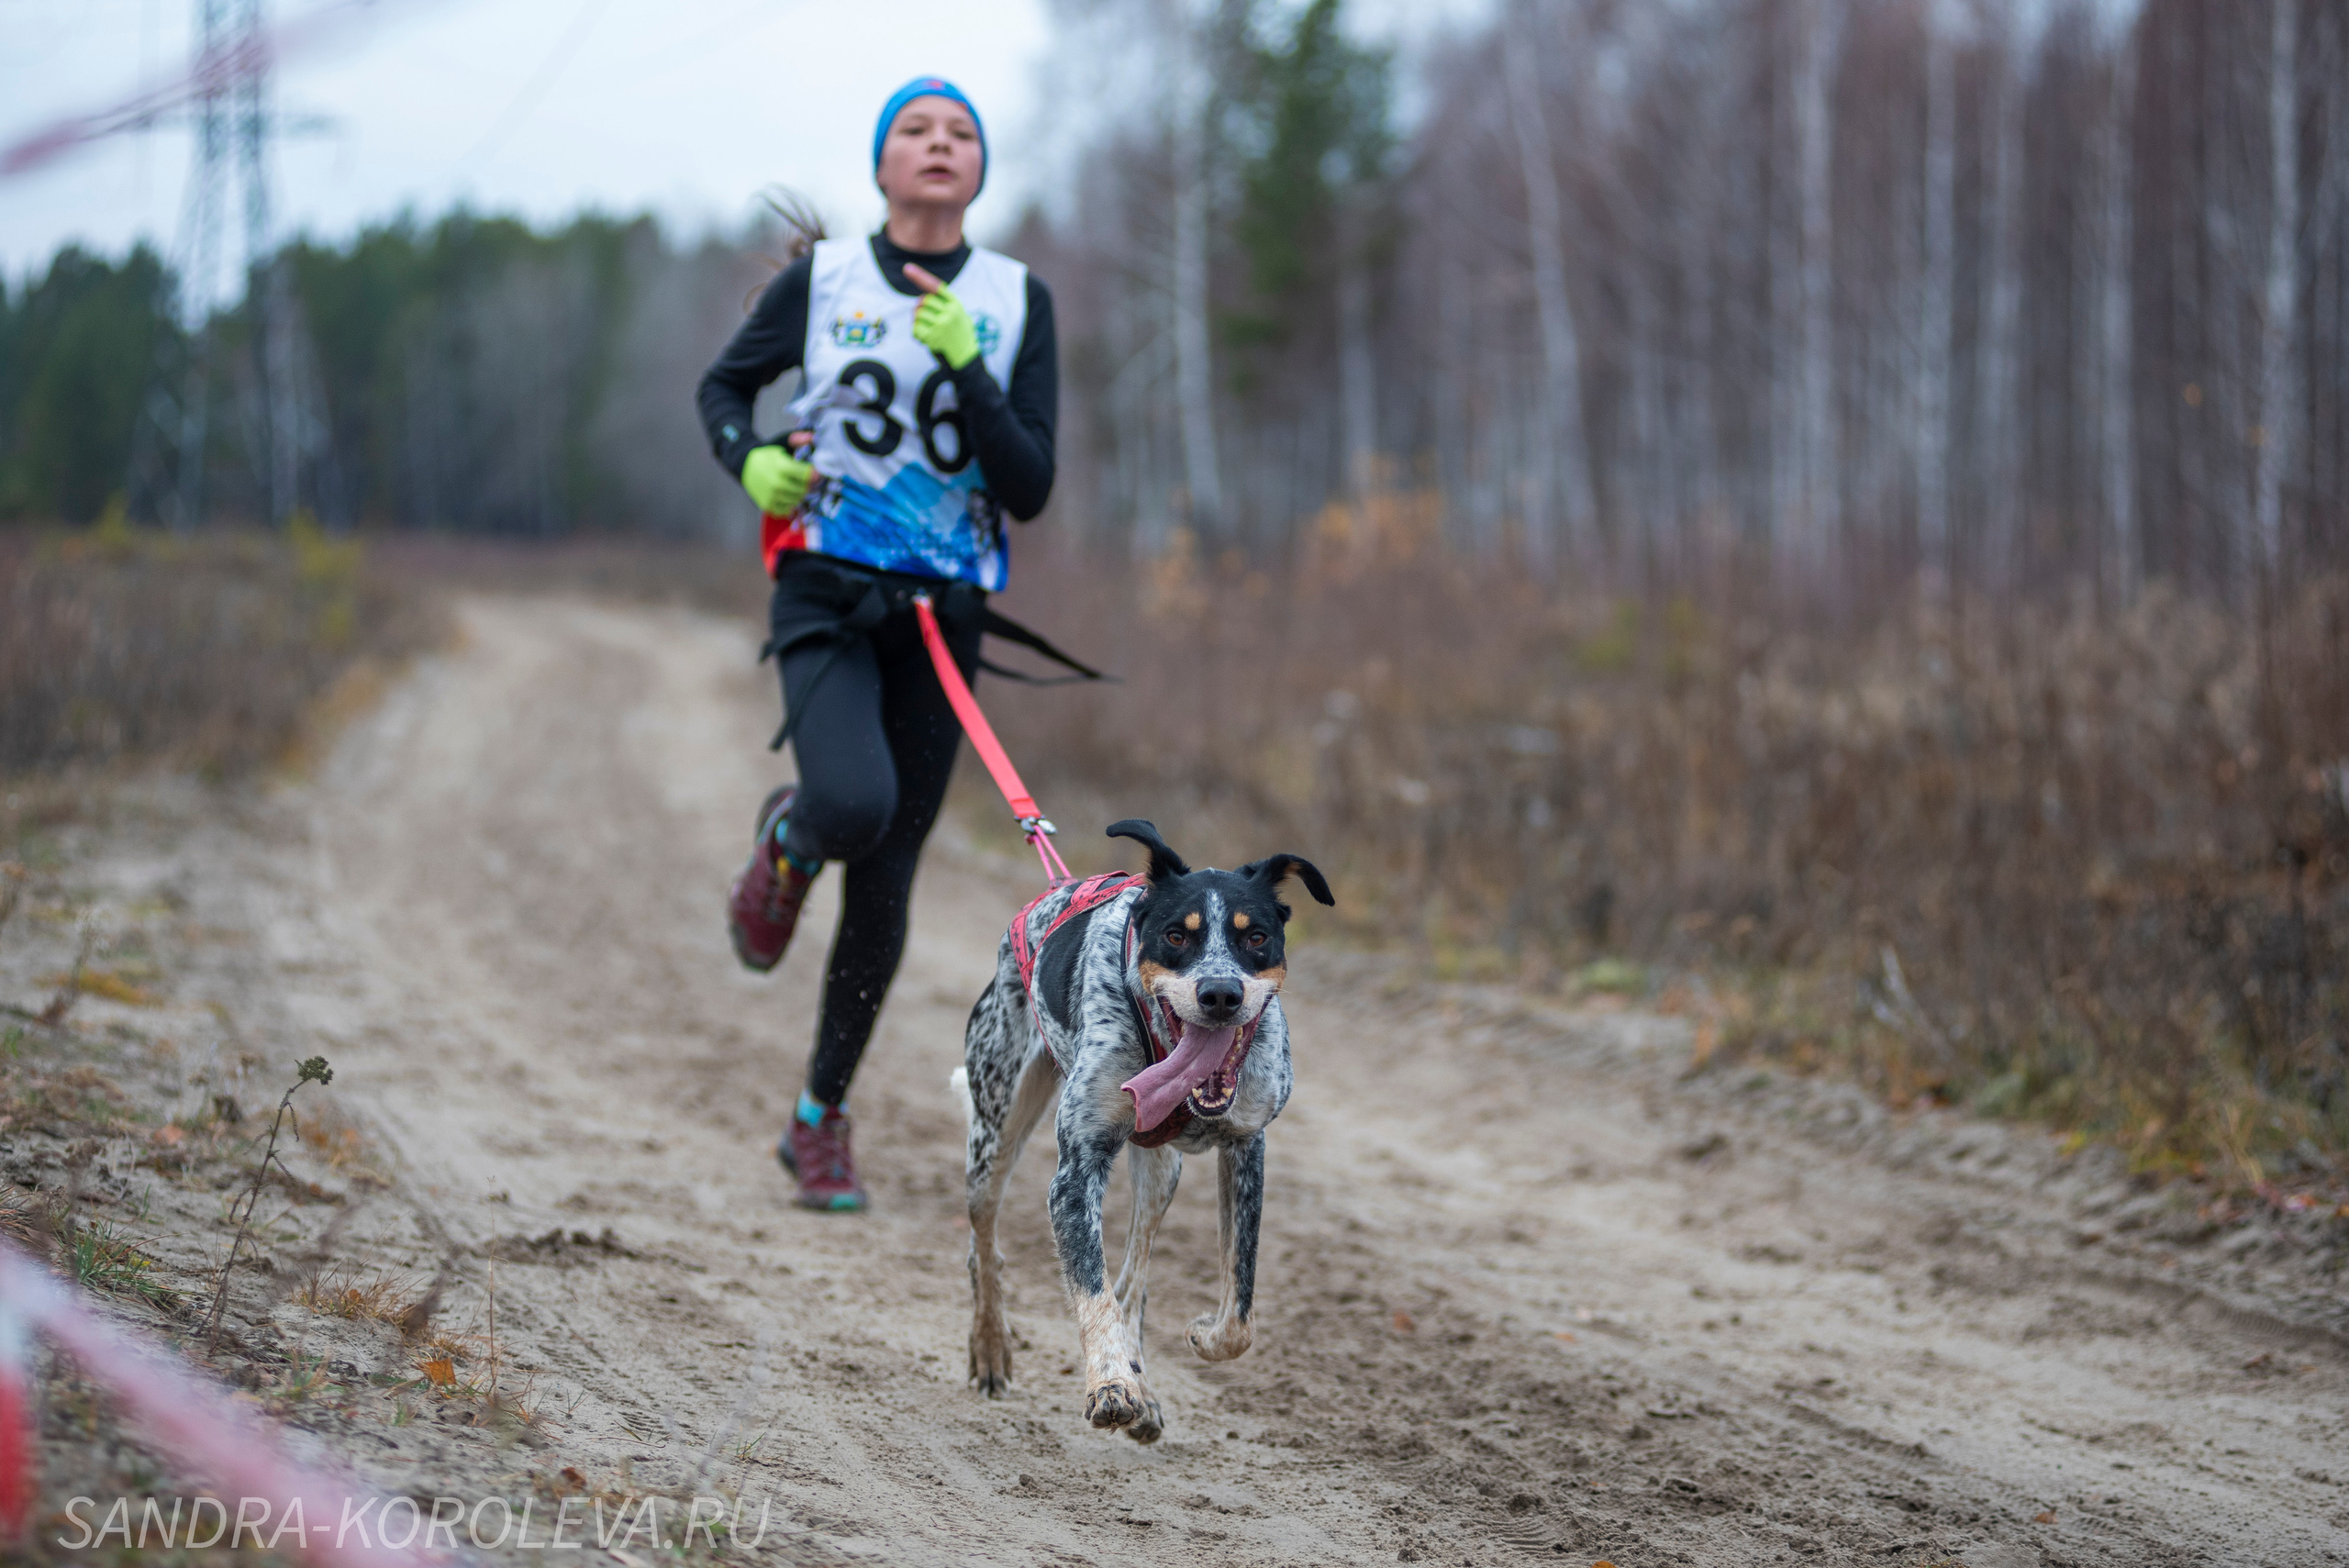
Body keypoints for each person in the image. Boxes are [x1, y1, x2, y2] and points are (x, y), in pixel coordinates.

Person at [696, 77, 1058, 1211]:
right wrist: (748, 458)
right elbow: (722, 389)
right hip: (824, 591)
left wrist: (961, 361)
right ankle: (791, 838)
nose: (940, 144)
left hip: (941, 618)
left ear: (979, 169)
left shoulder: (1013, 299)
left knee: (892, 874)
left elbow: (1031, 484)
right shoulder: (825, 281)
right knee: (850, 803)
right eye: (916, 130)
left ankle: (817, 1119)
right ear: (883, 167)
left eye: (961, 133)